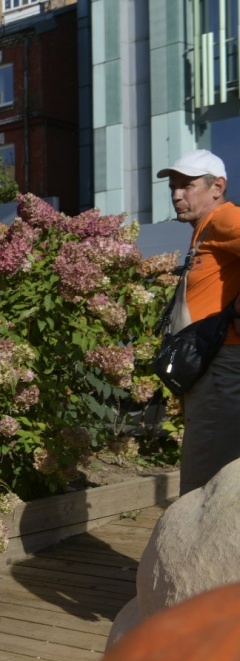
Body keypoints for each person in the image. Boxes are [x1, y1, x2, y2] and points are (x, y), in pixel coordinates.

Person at [157, 149, 240, 493]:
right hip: (213, 368)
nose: (177, 194)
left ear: (217, 186)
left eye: (187, 186)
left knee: (202, 487)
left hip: (221, 369)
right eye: (173, 186)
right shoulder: (205, 227)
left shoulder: (223, 218)